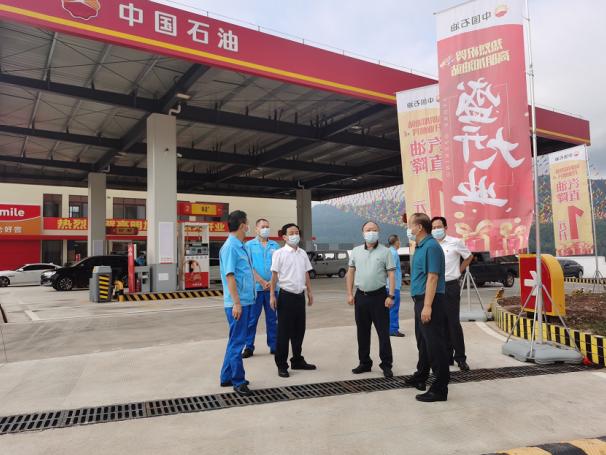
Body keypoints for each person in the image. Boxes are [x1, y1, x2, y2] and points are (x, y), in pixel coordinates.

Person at [404, 212, 449, 402]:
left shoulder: (431, 246)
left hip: (430, 300)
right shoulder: (421, 246)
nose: (409, 229)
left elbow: (432, 277)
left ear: (419, 227)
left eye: (410, 225)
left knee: (434, 344)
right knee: (423, 342)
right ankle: (421, 375)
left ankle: (439, 389)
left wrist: (428, 306)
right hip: (420, 300)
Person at [346, 221, 396, 378]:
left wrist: (391, 295)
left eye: (374, 230)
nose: (371, 232)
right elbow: (350, 272)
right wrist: (349, 293)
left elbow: (391, 274)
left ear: (378, 232)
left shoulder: (386, 252)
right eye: (368, 230)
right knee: (362, 332)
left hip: (379, 297)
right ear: (363, 233)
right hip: (361, 296)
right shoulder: (356, 251)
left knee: (383, 333)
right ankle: (364, 363)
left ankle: (386, 364)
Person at [270, 223, 317, 378]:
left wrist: (309, 291)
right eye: (291, 233)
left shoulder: (302, 253)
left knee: (299, 330)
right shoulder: (279, 253)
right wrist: (272, 295)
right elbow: (274, 276)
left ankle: (297, 360)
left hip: (299, 296)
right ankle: (281, 365)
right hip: (286, 296)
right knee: (284, 333)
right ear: (284, 237)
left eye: (297, 232)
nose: (295, 235)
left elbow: (306, 273)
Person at [219, 210, 255, 396]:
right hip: (238, 303)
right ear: (242, 225)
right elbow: (230, 277)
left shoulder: (240, 246)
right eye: (247, 224)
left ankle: (226, 377)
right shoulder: (231, 247)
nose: (248, 227)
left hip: (245, 301)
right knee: (238, 342)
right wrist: (237, 303)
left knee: (234, 340)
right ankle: (238, 381)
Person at [431, 216, 473, 371]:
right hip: (435, 287)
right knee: (440, 323)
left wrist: (459, 271)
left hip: (450, 286)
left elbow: (469, 257)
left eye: (439, 227)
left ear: (445, 227)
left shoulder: (455, 242)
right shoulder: (431, 244)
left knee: (453, 323)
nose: (436, 230)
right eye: (433, 227)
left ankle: (460, 358)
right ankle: (446, 356)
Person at [243, 219, 280, 358]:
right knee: (252, 319)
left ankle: (274, 345)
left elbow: (279, 266)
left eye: (267, 226)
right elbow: (248, 266)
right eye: (263, 227)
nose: (265, 229)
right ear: (256, 229)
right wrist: (261, 281)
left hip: (272, 289)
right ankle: (249, 346)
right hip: (256, 289)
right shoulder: (249, 245)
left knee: (272, 319)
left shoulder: (275, 245)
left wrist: (271, 282)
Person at [386, 234, 405, 337]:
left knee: (388, 308)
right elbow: (391, 271)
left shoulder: (388, 252)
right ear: (396, 242)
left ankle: (388, 328)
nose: (400, 243)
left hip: (389, 285)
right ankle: (393, 329)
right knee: (394, 308)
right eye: (399, 241)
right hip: (393, 286)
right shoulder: (393, 253)